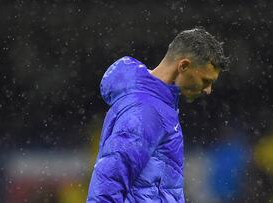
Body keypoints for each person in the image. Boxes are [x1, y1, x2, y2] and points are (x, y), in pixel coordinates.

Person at [86, 27, 230, 202]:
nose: (208, 90)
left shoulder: (157, 106)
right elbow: (109, 182)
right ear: (183, 66)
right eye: (206, 81)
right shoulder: (147, 110)